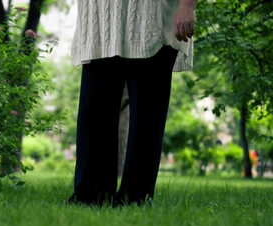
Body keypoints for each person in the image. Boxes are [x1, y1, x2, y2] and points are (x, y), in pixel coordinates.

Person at [69, 0, 196, 206]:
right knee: (94, 116)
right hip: (101, 19)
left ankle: (135, 197)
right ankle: (90, 196)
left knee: (148, 119)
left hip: (152, 17)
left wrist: (187, 5)